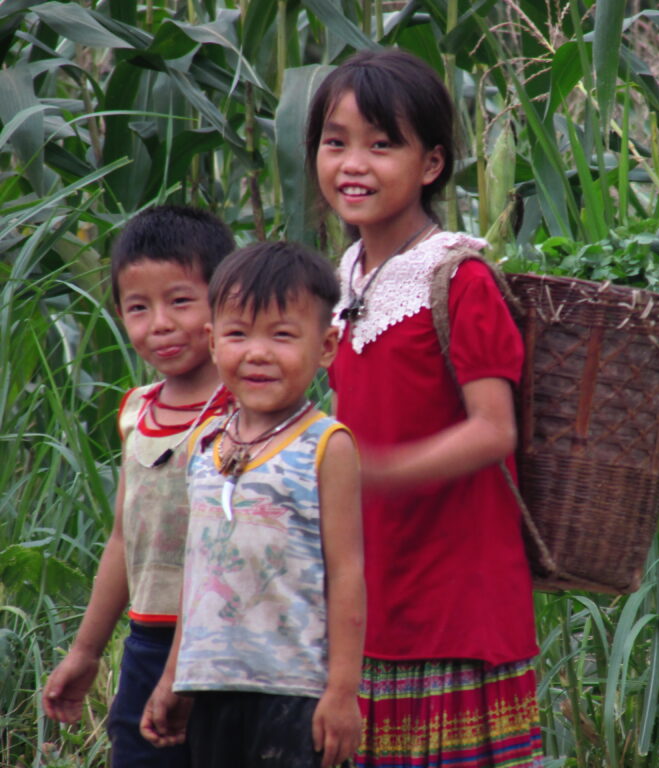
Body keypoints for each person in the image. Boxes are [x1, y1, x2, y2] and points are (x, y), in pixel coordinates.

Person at [305, 48, 542, 766]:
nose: (354, 164)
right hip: (372, 586)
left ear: (431, 165)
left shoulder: (456, 278)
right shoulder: (346, 277)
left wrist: (373, 471)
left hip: (455, 596)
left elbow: (494, 429)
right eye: (335, 142)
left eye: (383, 145)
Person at [139, 240, 365, 768]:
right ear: (214, 342)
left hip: (294, 692)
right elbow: (197, 574)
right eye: (238, 334)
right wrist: (176, 676)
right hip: (212, 689)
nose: (257, 353)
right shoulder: (206, 445)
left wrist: (342, 692)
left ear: (327, 346)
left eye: (283, 336)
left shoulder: (327, 445)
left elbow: (348, 573)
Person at [42, 204, 235, 767]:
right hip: (148, 643)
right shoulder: (138, 412)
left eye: (180, 301)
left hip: (230, 647)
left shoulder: (245, 410)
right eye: (138, 307)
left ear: (222, 300)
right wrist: (86, 651)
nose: (160, 324)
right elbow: (125, 539)